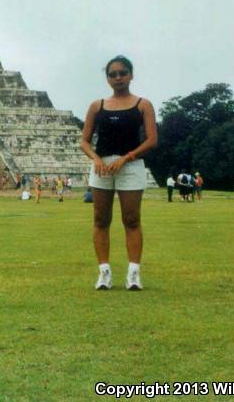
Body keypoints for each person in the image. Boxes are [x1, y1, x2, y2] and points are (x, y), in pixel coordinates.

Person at [80, 55, 157, 291]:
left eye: (122, 73)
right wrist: (95, 159)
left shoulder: (143, 104)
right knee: (101, 220)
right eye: (113, 74)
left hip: (130, 165)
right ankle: (104, 273)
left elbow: (152, 140)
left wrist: (126, 158)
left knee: (132, 220)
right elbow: (84, 141)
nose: (118, 78)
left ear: (131, 75)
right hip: (102, 166)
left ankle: (133, 274)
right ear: (107, 79)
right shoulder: (97, 106)